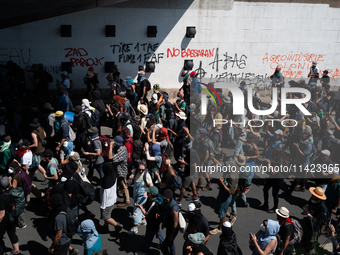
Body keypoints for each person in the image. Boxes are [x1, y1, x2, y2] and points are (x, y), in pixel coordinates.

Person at [134, 186, 165, 255]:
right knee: (158, 231)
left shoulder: (153, 204)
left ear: (152, 194)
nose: (147, 192)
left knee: (148, 238)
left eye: (148, 192)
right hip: (156, 222)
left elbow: (146, 214)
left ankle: (144, 252)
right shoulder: (153, 198)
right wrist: (142, 205)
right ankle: (164, 245)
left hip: (152, 223)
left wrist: (141, 208)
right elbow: (146, 204)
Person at [127, 161, 152, 235]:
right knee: (142, 208)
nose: (141, 171)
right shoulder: (135, 172)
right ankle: (143, 220)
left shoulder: (146, 175)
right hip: (136, 193)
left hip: (142, 195)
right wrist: (130, 178)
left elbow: (151, 185)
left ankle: (135, 228)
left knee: (136, 210)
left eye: (143, 170)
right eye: (139, 169)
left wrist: (147, 192)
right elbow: (129, 183)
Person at [301, 187, 329, 254]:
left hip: (314, 229)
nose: (311, 196)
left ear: (317, 197)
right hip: (307, 225)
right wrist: (306, 208)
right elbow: (309, 205)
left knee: (311, 246)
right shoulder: (312, 200)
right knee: (304, 241)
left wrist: (319, 232)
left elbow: (323, 222)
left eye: (313, 195)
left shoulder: (322, 208)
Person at [260, 148, 287, 213]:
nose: (273, 154)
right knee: (265, 189)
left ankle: (275, 208)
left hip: (278, 180)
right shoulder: (277, 159)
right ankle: (265, 204)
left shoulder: (281, 161)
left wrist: (269, 164)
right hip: (272, 178)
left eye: (275, 153)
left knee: (274, 194)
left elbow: (273, 172)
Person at [0, 176, 21, 255]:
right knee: (12, 233)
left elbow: (1, 214)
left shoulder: (2, 197)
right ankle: (16, 250)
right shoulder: (13, 191)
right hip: (13, 217)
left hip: (5, 219)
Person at [100, 162, 122, 234]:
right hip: (112, 199)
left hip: (107, 203)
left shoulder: (106, 182)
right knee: (108, 214)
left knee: (106, 217)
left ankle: (117, 226)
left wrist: (103, 206)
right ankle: (105, 226)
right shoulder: (113, 174)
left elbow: (105, 196)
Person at [108, 136, 129, 207]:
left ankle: (127, 201)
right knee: (120, 185)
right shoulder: (123, 148)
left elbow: (110, 158)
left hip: (121, 172)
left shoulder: (121, 152)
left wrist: (111, 146)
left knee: (123, 186)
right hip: (120, 170)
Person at [160, 189, 180, 255]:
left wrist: (172, 234)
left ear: (169, 198)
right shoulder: (168, 202)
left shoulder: (174, 209)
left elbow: (175, 224)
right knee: (170, 243)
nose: (164, 199)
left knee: (163, 247)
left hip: (172, 229)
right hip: (169, 226)